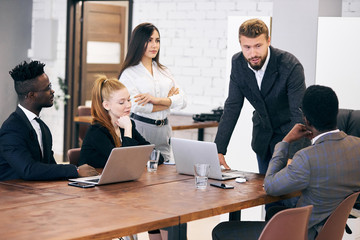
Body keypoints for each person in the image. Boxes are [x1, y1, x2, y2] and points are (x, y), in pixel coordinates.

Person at [212, 85, 360, 240]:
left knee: (221, 230)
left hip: (302, 234)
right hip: (328, 232)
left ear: (306, 120)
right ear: (336, 113)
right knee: (274, 211)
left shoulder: (307, 157)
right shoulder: (357, 146)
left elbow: (270, 186)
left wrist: (285, 141)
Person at [214, 18, 308, 173]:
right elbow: (232, 106)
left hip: (290, 138)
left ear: (268, 41)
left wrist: (292, 156)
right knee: (265, 192)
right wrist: (218, 149)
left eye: (258, 46)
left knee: (288, 196)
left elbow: (299, 113)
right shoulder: (238, 63)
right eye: (247, 47)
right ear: (241, 45)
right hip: (263, 139)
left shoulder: (290, 66)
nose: (253, 53)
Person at [0, 60, 98, 181]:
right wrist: (75, 170)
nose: (52, 91)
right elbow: (28, 169)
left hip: (38, 193)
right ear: (31, 95)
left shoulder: (42, 127)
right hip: (14, 195)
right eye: (48, 88)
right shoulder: (11, 129)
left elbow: (50, 168)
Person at [119, 22, 187, 163]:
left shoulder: (164, 71)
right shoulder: (129, 73)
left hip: (164, 129)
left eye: (157, 40)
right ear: (139, 42)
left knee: (165, 169)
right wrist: (169, 102)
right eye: (149, 40)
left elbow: (183, 100)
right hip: (141, 128)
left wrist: (155, 100)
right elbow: (136, 106)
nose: (154, 45)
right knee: (142, 171)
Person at [79, 75, 150, 168]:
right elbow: (124, 164)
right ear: (107, 105)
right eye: (121, 102)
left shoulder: (127, 124)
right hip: (93, 180)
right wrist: (128, 130)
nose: (128, 105)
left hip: (118, 179)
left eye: (129, 100)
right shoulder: (97, 131)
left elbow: (154, 155)